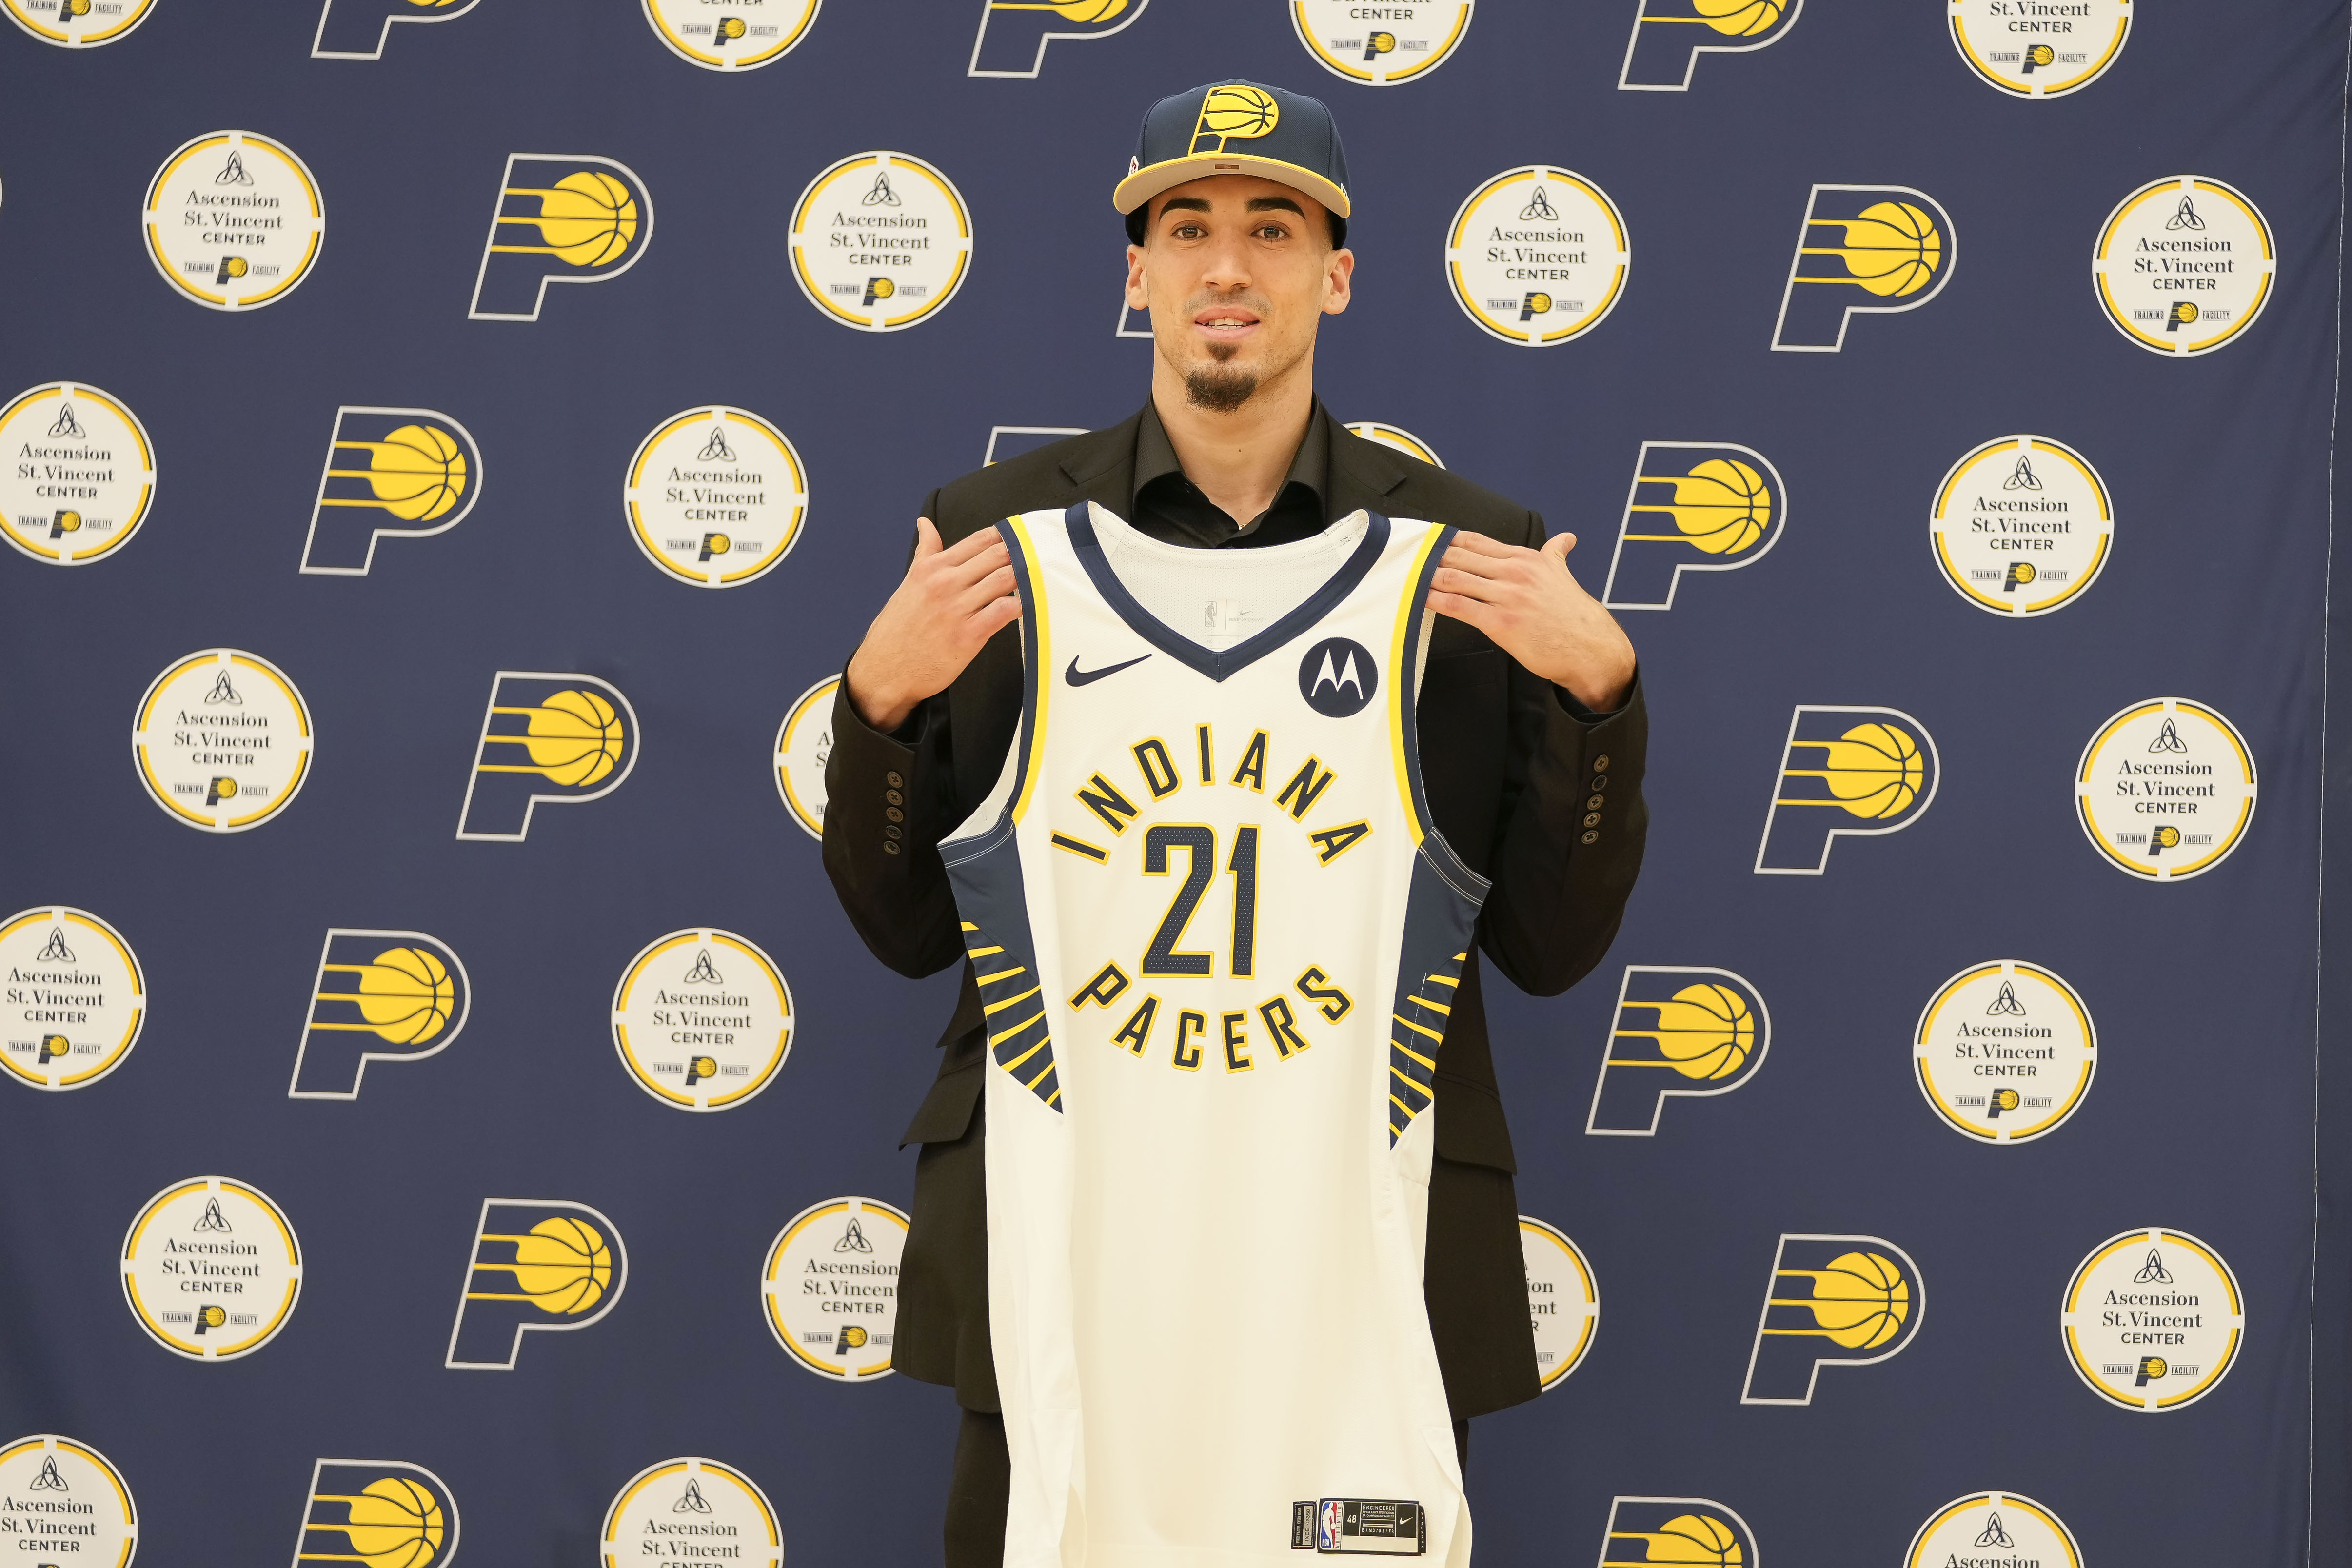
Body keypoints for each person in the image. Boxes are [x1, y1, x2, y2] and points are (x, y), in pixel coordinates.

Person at [821, 80, 1646, 1566]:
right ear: (1133, 270)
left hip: (1360, 1238)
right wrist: (876, 711)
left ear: (1337, 273)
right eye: (1185, 227)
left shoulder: (1471, 559)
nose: (1226, 268)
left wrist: (1598, 696)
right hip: (1064, 1231)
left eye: (1274, 229)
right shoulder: (995, 539)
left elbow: (1546, 948)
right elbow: (898, 934)